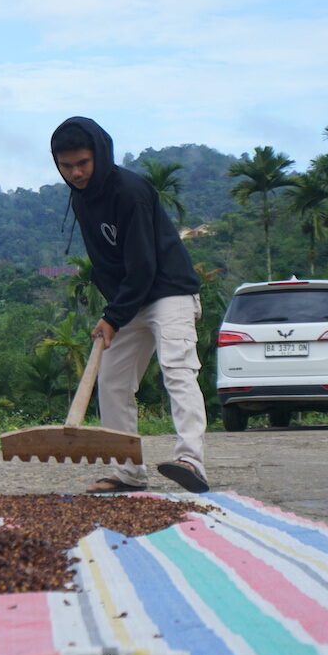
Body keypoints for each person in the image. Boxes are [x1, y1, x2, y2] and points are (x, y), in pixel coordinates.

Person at [50, 116, 210, 494]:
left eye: (83, 164)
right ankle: (128, 473)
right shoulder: (80, 198)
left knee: (177, 369)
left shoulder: (130, 190)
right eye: (67, 166)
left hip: (168, 290)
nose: (75, 173)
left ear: (100, 155)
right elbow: (107, 263)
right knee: (113, 381)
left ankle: (190, 460)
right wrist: (116, 311)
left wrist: (112, 315)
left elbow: (143, 264)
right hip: (129, 298)